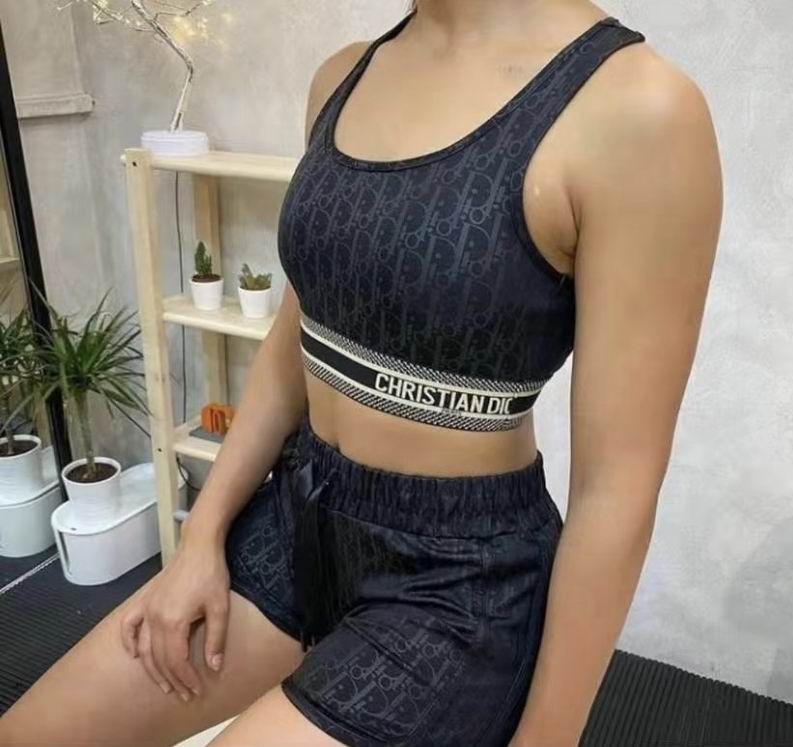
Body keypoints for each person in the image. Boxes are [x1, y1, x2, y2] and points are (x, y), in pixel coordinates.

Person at [0, 0, 722, 745]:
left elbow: (617, 489)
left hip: (457, 585)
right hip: (300, 513)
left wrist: (548, 737)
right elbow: (297, 339)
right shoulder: (342, 77)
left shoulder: (637, 111)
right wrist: (199, 539)